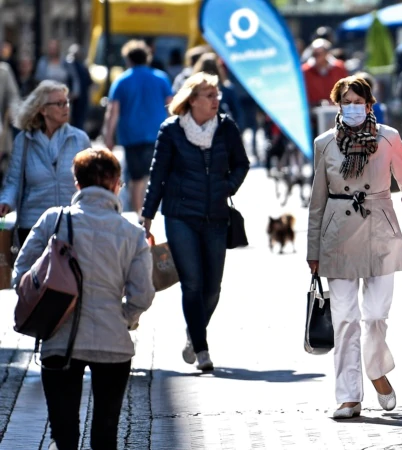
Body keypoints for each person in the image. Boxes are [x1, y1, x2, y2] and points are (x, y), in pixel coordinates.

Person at [12, 148, 155, 450]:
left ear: (76, 183)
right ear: (117, 183)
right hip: (113, 343)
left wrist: (48, 307)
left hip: (58, 339)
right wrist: (124, 318)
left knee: (64, 435)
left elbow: (21, 273)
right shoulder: (132, 233)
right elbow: (143, 294)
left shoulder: (54, 220)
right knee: (105, 435)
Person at [306, 75, 402, 419]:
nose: (352, 108)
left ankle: (376, 369)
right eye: (345, 102)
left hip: (380, 229)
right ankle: (349, 397)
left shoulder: (389, 138)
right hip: (337, 235)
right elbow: (316, 200)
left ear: (369, 104)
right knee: (346, 319)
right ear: (338, 105)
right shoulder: (324, 143)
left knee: (376, 315)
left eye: (358, 101)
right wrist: (313, 249)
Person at [142, 72, 249, 372]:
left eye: (217, 95)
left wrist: (228, 186)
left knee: (213, 287)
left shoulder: (226, 127)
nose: (217, 100)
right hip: (180, 215)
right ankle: (202, 349)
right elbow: (157, 175)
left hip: (216, 215)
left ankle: (194, 332)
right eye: (210, 95)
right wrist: (147, 215)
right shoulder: (171, 130)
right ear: (192, 100)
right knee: (192, 283)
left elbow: (242, 163)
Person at [0, 81, 91, 245]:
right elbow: (13, 179)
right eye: (59, 103)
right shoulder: (24, 141)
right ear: (42, 110)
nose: (66, 107)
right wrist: (5, 202)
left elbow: (91, 183)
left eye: (67, 102)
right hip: (33, 227)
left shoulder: (80, 139)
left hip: (71, 226)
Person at [103, 40, 173, 216]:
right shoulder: (161, 78)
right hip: (158, 133)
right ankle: (153, 213)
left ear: (128, 59)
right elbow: (171, 106)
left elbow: (113, 111)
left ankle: (139, 216)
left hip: (131, 134)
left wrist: (108, 136)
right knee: (154, 175)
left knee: (136, 178)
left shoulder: (121, 81)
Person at [302, 39, 349, 107]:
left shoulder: (339, 68)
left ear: (327, 53)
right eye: (314, 54)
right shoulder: (305, 70)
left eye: (318, 54)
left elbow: (345, 89)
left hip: (336, 108)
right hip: (313, 109)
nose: (316, 57)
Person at [65, 44, 92, 131]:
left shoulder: (82, 67)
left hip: (79, 97)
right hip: (74, 97)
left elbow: (88, 82)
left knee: (77, 120)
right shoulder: (71, 66)